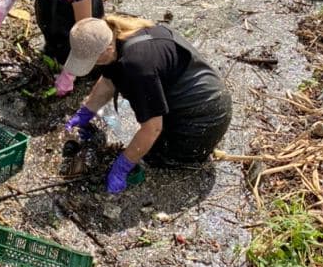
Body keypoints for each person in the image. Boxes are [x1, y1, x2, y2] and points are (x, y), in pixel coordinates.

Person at [62, 16, 233, 193]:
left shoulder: (136, 66)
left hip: (204, 119)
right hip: (203, 89)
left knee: (156, 158)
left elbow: (152, 129)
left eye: (93, 60)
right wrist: (86, 111)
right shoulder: (119, 32)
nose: (92, 66)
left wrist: (123, 165)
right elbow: (109, 80)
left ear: (108, 48)